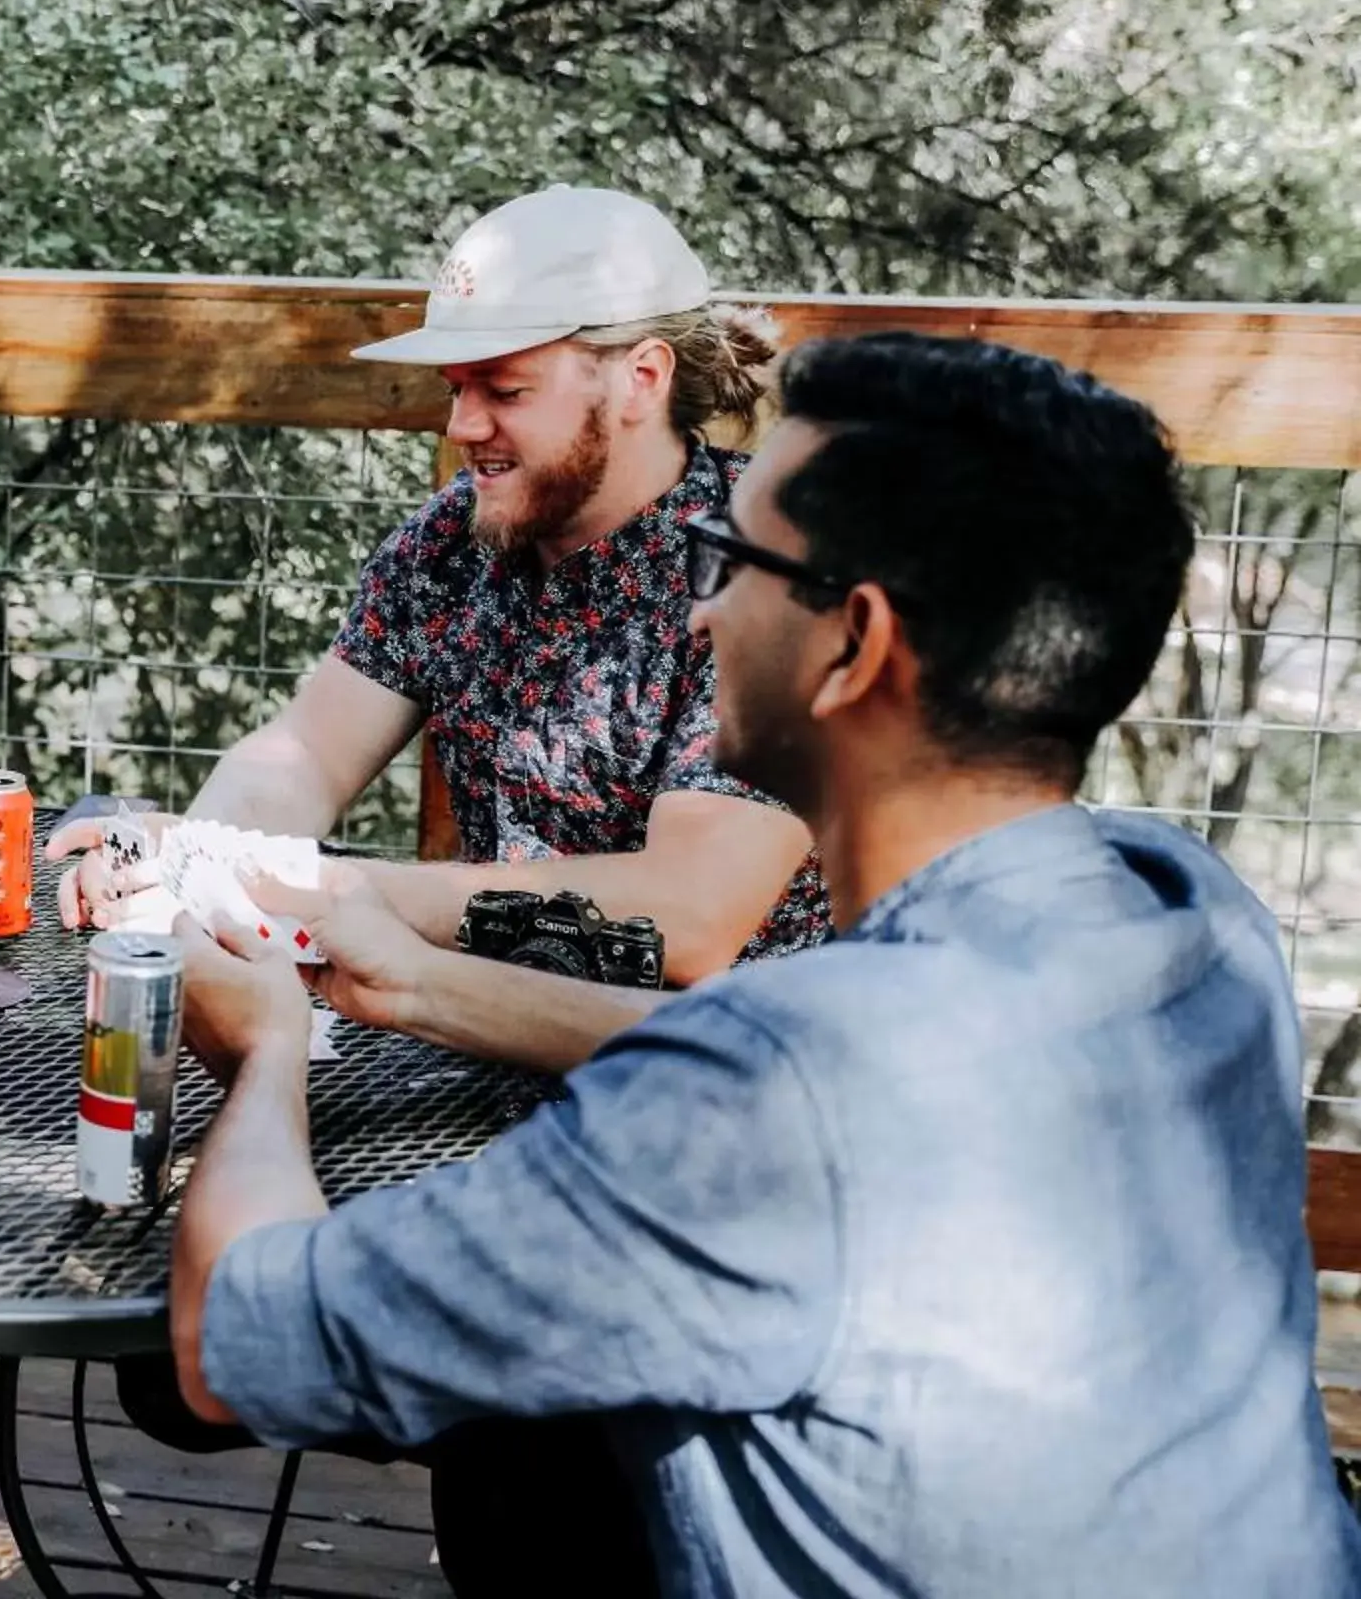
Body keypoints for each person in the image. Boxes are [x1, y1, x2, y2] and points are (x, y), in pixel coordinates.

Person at [170, 332, 1361, 1597]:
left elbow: (231, 1340)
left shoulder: (756, 1092)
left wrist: (268, 1047)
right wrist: (406, 973)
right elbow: (844, 1094)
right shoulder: (1194, 913)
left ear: (854, 645)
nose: (696, 605)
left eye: (735, 562)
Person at [55, 186, 830, 1080]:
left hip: (716, 1092)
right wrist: (197, 867)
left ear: (640, 379)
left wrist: (307, 884)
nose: (462, 426)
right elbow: (304, 754)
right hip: (472, 1043)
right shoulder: (452, 540)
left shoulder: (766, 569)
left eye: (505, 388)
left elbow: (690, 916)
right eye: (457, 388)